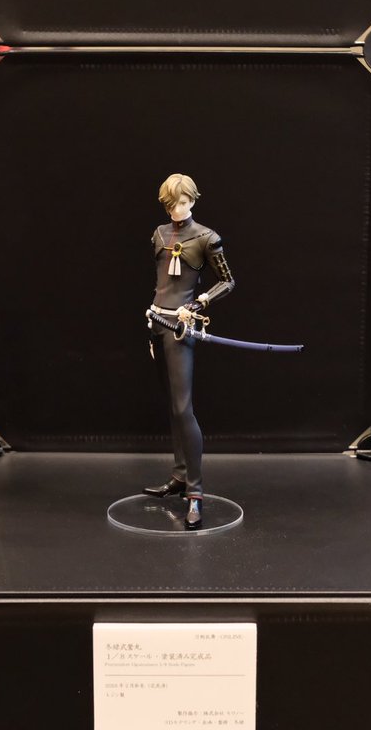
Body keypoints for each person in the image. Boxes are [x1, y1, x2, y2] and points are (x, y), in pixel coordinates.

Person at [142, 173, 235, 529]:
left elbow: (227, 280)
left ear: (193, 200)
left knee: (183, 407)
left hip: (181, 327)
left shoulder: (207, 237)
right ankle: (180, 475)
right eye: (171, 204)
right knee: (172, 405)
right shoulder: (159, 234)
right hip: (156, 322)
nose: (177, 209)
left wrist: (199, 302)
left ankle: (195, 492)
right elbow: (163, 281)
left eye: (182, 202)